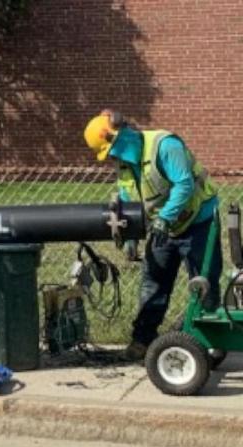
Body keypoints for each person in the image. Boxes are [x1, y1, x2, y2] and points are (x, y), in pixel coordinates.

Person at [83, 110, 221, 361]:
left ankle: (210, 342)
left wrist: (165, 218)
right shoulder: (126, 166)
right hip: (163, 226)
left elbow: (184, 184)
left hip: (199, 221)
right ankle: (143, 340)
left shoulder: (165, 146)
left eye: (111, 151)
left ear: (121, 136)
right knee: (153, 282)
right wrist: (131, 237)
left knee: (204, 283)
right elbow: (128, 200)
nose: (111, 158)